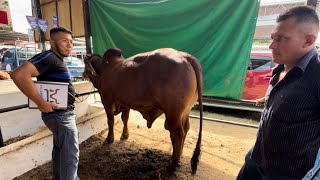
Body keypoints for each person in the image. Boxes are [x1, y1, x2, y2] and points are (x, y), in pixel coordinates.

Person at [237, 6, 320, 180]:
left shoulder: (316, 75)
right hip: (258, 155)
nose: (271, 45)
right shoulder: (281, 67)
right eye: (273, 38)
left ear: (308, 40)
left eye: (281, 39)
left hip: (287, 171)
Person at [11, 27, 79, 180]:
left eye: (71, 42)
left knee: (61, 151)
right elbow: (19, 75)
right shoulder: (49, 57)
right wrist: (41, 103)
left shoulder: (56, 59)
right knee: (70, 156)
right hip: (61, 116)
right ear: (52, 43)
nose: (69, 45)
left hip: (60, 115)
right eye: (64, 41)